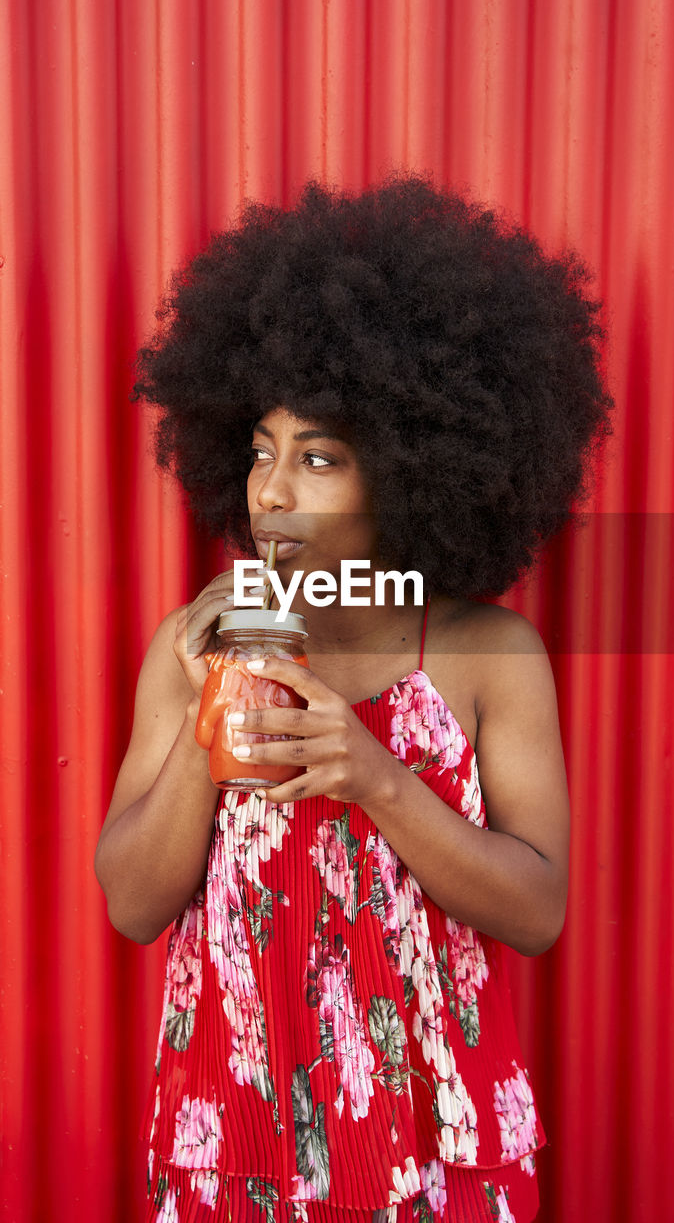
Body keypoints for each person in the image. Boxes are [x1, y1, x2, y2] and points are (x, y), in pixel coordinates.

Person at [94, 176, 613, 1222]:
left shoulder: (487, 655)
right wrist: (214, 715)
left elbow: (539, 908)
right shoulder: (193, 641)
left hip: (438, 1133)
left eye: (319, 457)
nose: (271, 491)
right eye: (259, 450)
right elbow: (132, 902)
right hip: (233, 1130)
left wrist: (377, 775)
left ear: (416, 470)